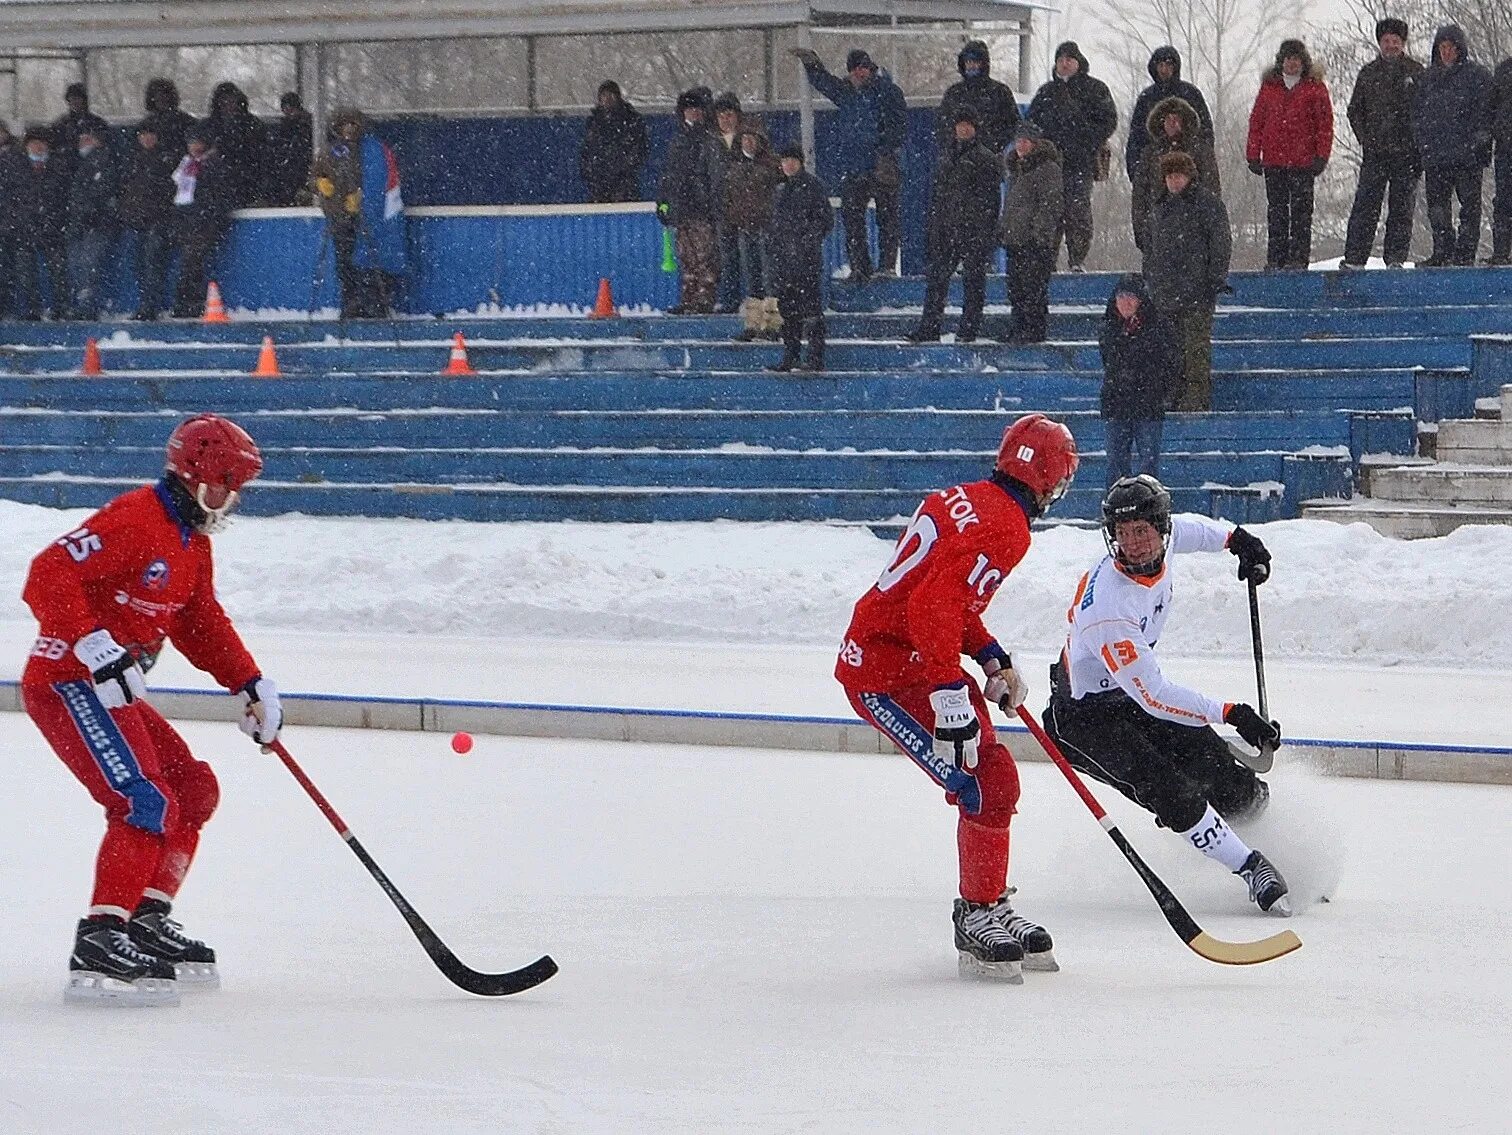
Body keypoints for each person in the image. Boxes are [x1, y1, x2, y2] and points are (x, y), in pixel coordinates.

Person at [21, 413, 281, 1005]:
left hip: (114, 689)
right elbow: (48, 571)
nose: (230, 500)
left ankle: (144, 916)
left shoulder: (191, 542)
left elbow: (198, 618)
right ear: (192, 478)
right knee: (143, 800)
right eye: (223, 486)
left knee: (192, 789)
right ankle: (101, 935)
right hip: (69, 680)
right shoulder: (139, 517)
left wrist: (248, 682)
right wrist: (91, 641)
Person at [836, 414, 1080, 981]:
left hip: (915, 656)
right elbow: (932, 607)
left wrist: (990, 654)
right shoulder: (1009, 529)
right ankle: (976, 913)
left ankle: (987, 903)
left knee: (996, 780)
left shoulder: (964, 498)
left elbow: (943, 597)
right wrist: (949, 687)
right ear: (1045, 478)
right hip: (886, 672)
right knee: (980, 783)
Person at [1041, 474, 1290, 917]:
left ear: (1160, 529)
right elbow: (1154, 696)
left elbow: (1195, 530)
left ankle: (1283, 845)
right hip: (1085, 718)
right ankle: (1252, 867)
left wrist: (1238, 539)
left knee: (1221, 770)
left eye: (1141, 531)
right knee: (1171, 787)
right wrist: (1231, 713)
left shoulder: (1168, 541)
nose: (1132, 544)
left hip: (1127, 694)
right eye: (1121, 533)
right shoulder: (1109, 609)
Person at [791, 46, 907, 280]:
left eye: (863, 68)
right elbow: (825, 83)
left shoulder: (887, 91)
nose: (859, 73)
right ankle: (860, 267)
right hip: (855, 166)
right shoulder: (847, 92)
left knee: (887, 218)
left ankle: (886, 266)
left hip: (880, 165)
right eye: (855, 69)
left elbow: (900, 125)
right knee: (853, 220)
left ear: (870, 68)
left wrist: (883, 148)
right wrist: (812, 64)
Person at [1143, 151, 1232, 411]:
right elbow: (1151, 249)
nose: (1174, 182)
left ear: (1189, 176)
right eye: (1169, 176)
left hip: (1197, 291)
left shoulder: (1207, 204)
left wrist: (1215, 278)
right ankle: (1172, 393)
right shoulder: (1160, 207)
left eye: (1178, 176)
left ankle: (1196, 398)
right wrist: (1151, 278)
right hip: (1166, 292)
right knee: (1170, 349)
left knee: (1195, 348)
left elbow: (1220, 242)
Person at [909, 107, 1001, 344]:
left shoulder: (986, 158)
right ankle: (930, 327)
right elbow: (937, 196)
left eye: (968, 124)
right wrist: (935, 225)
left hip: (973, 231)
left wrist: (985, 232)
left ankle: (968, 329)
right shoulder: (945, 157)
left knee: (973, 282)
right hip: (945, 228)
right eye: (959, 124)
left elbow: (991, 201)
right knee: (937, 280)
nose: (963, 129)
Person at [1026, 42, 1117, 273]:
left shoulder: (1095, 89)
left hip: (1080, 163)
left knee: (1078, 213)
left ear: (1079, 62)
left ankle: (1077, 260)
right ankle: (1048, 262)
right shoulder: (1046, 93)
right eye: (1061, 59)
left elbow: (1108, 121)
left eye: (1069, 59)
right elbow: (1031, 126)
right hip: (1050, 165)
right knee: (1049, 214)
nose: (1065, 63)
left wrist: (1085, 140)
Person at [311, 107, 407, 319]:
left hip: (362, 218)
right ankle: (351, 302)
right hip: (339, 217)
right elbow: (316, 175)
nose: (349, 129)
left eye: (354, 124)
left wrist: (360, 198)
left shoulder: (368, 150)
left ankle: (371, 303)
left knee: (365, 260)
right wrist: (321, 184)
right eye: (345, 124)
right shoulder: (330, 151)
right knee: (345, 263)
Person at [1342, 19, 1424, 268]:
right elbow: (1354, 111)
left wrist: (1416, 144)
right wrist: (1367, 139)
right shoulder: (1368, 73)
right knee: (1366, 206)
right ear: (1380, 43)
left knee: (1401, 209)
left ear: (1403, 43)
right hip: (1376, 153)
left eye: (1395, 41)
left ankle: (1396, 259)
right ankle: (1355, 258)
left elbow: (1425, 112)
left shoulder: (1415, 71)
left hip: (1407, 154)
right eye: (1386, 41)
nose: (1391, 46)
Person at [1246, 39, 1333, 270]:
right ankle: (1275, 258)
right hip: (1274, 161)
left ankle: (1298, 258)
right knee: (1276, 213)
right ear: (1281, 62)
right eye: (1288, 59)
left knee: (1302, 214)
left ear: (1303, 62)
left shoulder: (1315, 88)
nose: (1292, 63)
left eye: (1296, 59)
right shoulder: (1269, 87)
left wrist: (1321, 155)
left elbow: (1324, 125)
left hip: (1303, 162)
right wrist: (1253, 154)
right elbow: (1257, 122)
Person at [1413, 25, 1491, 267]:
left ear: (1460, 49)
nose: (1446, 53)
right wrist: (1423, 145)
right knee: (1437, 208)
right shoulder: (1426, 80)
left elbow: (1487, 113)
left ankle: (1466, 253)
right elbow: (1416, 116)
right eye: (1442, 48)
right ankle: (1443, 251)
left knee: (1469, 207)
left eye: (1451, 48)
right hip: (1436, 156)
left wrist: (1480, 143)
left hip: (1468, 156)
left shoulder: (1477, 77)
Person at [1098, 275, 1180, 484]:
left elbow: (1172, 363)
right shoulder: (1109, 327)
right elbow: (1111, 362)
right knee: (1116, 466)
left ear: (1140, 300)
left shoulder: (1158, 327)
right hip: (1116, 405)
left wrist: (1162, 392)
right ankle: (1116, 511)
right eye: (1121, 296)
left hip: (1148, 405)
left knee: (1148, 468)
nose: (1125, 302)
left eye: (1131, 297)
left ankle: (1148, 512)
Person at [765, 142, 833, 372]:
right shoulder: (780, 190)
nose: (788, 165)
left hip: (806, 261)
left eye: (792, 160)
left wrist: (805, 243)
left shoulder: (813, 187)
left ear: (800, 162)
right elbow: (774, 226)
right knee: (788, 311)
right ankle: (791, 355)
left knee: (811, 310)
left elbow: (824, 220)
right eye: (784, 160)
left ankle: (815, 357)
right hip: (784, 262)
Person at [657, 89, 722, 315]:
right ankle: (688, 298)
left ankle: (705, 298)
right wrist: (663, 202)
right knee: (686, 257)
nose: (693, 113)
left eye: (697, 109)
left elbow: (714, 176)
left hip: (701, 209)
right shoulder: (678, 141)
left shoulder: (709, 140)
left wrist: (711, 202)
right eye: (689, 109)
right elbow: (668, 175)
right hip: (681, 208)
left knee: (705, 256)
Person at [997, 122, 1062, 344]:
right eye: (1018, 141)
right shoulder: (1016, 169)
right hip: (1015, 240)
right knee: (1016, 288)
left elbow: (1050, 204)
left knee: (1033, 288)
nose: (1021, 145)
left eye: (1025, 141)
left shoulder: (1047, 168)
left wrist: (1039, 234)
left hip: (1034, 242)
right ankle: (1019, 328)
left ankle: (1033, 330)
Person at [1129, 96, 1221, 253]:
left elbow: (1212, 189)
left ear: (1185, 122)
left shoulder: (1201, 150)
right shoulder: (1150, 153)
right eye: (1168, 119)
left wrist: (1210, 227)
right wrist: (1141, 230)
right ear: (1161, 123)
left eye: (1177, 119)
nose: (1173, 123)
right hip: (1158, 227)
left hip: (1194, 227)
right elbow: (1140, 194)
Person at [722, 122, 782, 342]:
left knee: (770, 277)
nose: (748, 142)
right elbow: (727, 199)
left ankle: (772, 324)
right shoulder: (734, 167)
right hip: (744, 228)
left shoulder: (771, 166)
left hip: (766, 228)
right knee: (752, 277)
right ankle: (753, 323)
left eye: (753, 138)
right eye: (745, 138)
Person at [170, 128, 234, 319]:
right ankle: (186, 303)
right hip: (188, 220)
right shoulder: (185, 164)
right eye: (191, 143)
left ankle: (191, 303)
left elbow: (219, 195)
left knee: (193, 262)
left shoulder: (213, 165)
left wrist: (210, 216)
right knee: (189, 262)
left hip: (204, 221)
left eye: (198, 143)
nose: (194, 147)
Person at [1125, 47, 1214, 183]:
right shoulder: (1147, 98)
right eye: (1160, 65)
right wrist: (1136, 170)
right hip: (1154, 165)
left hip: (1189, 162)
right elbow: (1137, 136)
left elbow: (1205, 130)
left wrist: (1205, 162)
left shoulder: (1190, 94)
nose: (1164, 69)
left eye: (1168, 65)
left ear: (1175, 67)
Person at [119, 123, 179, 322]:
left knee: (152, 262)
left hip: (157, 220)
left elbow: (169, 189)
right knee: (138, 264)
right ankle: (146, 302)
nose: (147, 139)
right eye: (143, 135)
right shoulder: (131, 159)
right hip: (136, 221)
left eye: (150, 135)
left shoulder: (166, 160)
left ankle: (150, 305)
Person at [9, 129, 70, 321]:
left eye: (42, 143)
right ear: (26, 146)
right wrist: (14, 220)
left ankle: (61, 308)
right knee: (26, 274)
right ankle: (31, 309)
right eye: (34, 142)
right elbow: (7, 197)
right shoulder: (14, 166)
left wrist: (60, 220)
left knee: (58, 272)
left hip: (52, 228)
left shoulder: (58, 166)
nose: (38, 146)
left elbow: (66, 196)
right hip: (23, 228)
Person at [64, 125, 120, 321]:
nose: (84, 144)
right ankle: (79, 303)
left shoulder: (105, 161)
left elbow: (101, 191)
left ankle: (88, 306)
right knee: (76, 265)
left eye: (88, 139)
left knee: (89, 265)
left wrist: (89, 212)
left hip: (95, 223)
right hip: (78, 223)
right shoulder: (74, 161)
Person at [937, 40, 1020, 156]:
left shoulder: (1000, 92)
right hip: (959, 158)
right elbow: (943, 126)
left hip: (992, 158)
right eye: (968, 61)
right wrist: (955, 145)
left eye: (976, 61)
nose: (972, 65)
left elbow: (1013, 125)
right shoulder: (954, 93)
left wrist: (994, 145)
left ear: (984, 64)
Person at [579, 80, 648, 204]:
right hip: (599, 184)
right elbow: (587, 150)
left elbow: (640, 149)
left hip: (624, 184)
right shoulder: (594, 122)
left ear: (618, 97)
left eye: (611, 95)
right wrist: (590, 171)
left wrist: (623, 170)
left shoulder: (631, 120)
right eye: (604, 96)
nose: (607, 100)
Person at [201, 82, 267, 210]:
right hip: (215, 186)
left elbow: (260, 156)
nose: (228, 106)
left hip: (246, 182)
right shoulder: (208, 126)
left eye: (232, 101)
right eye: (224, 102)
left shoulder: (252, 125)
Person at [712, 91, 747, 314]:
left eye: (730, 114)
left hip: (746, 210)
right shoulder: (711, 144)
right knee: (727, 259)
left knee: (750, 259)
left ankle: (755, 299)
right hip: (722, 210)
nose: (726, 119)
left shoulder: (749, 140)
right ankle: (730, 298)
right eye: (721, 115)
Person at [264, 92, 313, 207]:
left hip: (301, 170)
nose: (288, 112)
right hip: (287, 172)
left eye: (291, 108)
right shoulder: (284, 128)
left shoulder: (307, 126)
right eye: (285, 108)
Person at [1487, 45, 1512, 262]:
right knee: (1504, 201)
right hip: (1506, 149)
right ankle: (1501, 253)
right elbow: (1492, 107)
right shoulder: (1504, 70)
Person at [140, 78, 197, 159]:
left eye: (165, 96)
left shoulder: (186, 121)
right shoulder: (146, 125)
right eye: (158, 97)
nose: (162, 100)